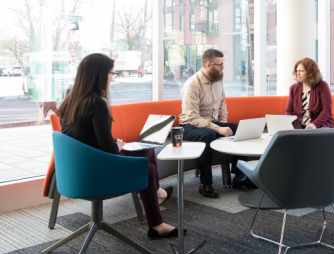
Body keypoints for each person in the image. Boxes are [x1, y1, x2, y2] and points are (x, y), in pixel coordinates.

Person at [56, 53, 181, 239]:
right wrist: (119, 146)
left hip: (75, 169)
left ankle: (157, 203)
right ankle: (156, 215)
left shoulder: (70, 99)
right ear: (100, 74)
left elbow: (83, 136)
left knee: (146, 151)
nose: (113, 78)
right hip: (96, 171)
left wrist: (115, 145)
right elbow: (109, 150)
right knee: (148, 168)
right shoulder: (97, 103)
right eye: (112, 73)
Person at [179, 49, 254, 198]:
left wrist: (223, 121)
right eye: (220, 64)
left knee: (240, 129)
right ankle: (205, 183)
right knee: (209, 134)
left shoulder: (218, 80)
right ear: (209, 65)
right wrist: (217, 128)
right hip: (189, 125)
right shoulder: (192, 84)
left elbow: (222, 103)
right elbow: (192, 117)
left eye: (223, 63)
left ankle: (239, 177)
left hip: (212, 122)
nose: (223, 67)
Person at [285, 58, 334, 129]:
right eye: (297, 71)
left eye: (301, 71)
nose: (297, 73)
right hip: (301, 127)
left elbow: (327, 109)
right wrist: (288, 125)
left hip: (321, 125)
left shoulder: (322, 85)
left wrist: (314, 124)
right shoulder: (293, 88)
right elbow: (289, 111)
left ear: (310, 73)